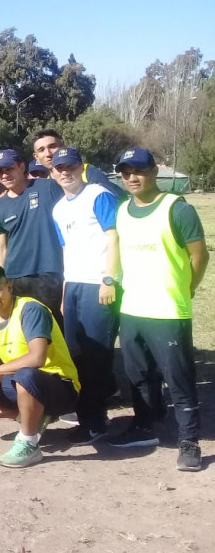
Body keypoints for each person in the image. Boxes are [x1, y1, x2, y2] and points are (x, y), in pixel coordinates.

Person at [108, 148, 208, 472]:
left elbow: (199, 255)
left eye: (138, 170)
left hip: (168, 310)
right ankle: (144, 425)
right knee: (138, 376)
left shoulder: (176, 209)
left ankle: (189, 440)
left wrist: (186, 287)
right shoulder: (122, 211)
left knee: (178, 378)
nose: (132, 178)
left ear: (153, 172)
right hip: (133, 308)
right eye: (125, 172)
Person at [0, 264, 80, 469]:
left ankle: (29, 443)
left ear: (9, 287)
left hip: (59, 385)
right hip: (22, 382)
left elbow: (37, 358)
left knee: (25, 375)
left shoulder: (30, 309)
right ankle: (32, 417)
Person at [49, 147, 121, 444]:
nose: (65, 172)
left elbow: (114, 236)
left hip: (98, 284)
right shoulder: (58, 209)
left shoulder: (98, 194)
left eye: (71, 166)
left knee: (97, 356)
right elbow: (67, 250)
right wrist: (66, 290)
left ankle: (96, 422)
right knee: (76, 354)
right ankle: (87, 417)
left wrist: (110, 279)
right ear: (52, 173)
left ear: (81, 167)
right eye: (59, 167)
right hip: (75, 285)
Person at [0, 149, 65, 318]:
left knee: (51, 329)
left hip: (47, 273)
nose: (4, 175)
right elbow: (2, 248)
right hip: (14, 277)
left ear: (21, 166)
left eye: (9, 169)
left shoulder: (48, 187)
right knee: (22, 328)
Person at [32, 128, 123, 198]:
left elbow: (118, 199)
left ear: (63, 147)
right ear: (36, 157)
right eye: (41, 150)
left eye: (52, 147)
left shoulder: (87, 172)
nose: (48, 154)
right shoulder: (47, 183)